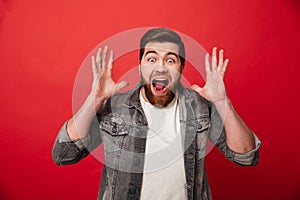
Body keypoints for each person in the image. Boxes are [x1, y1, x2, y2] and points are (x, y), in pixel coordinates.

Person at [52, 28, 261, 200]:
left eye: (170, 60)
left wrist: (223, 103)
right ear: (140, 66)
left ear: (181, 69)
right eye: (152, 59)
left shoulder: (200, 106)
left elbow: (246, 156)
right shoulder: (113, 108)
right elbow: (64, 154)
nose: (160, 67)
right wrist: (95, 99)